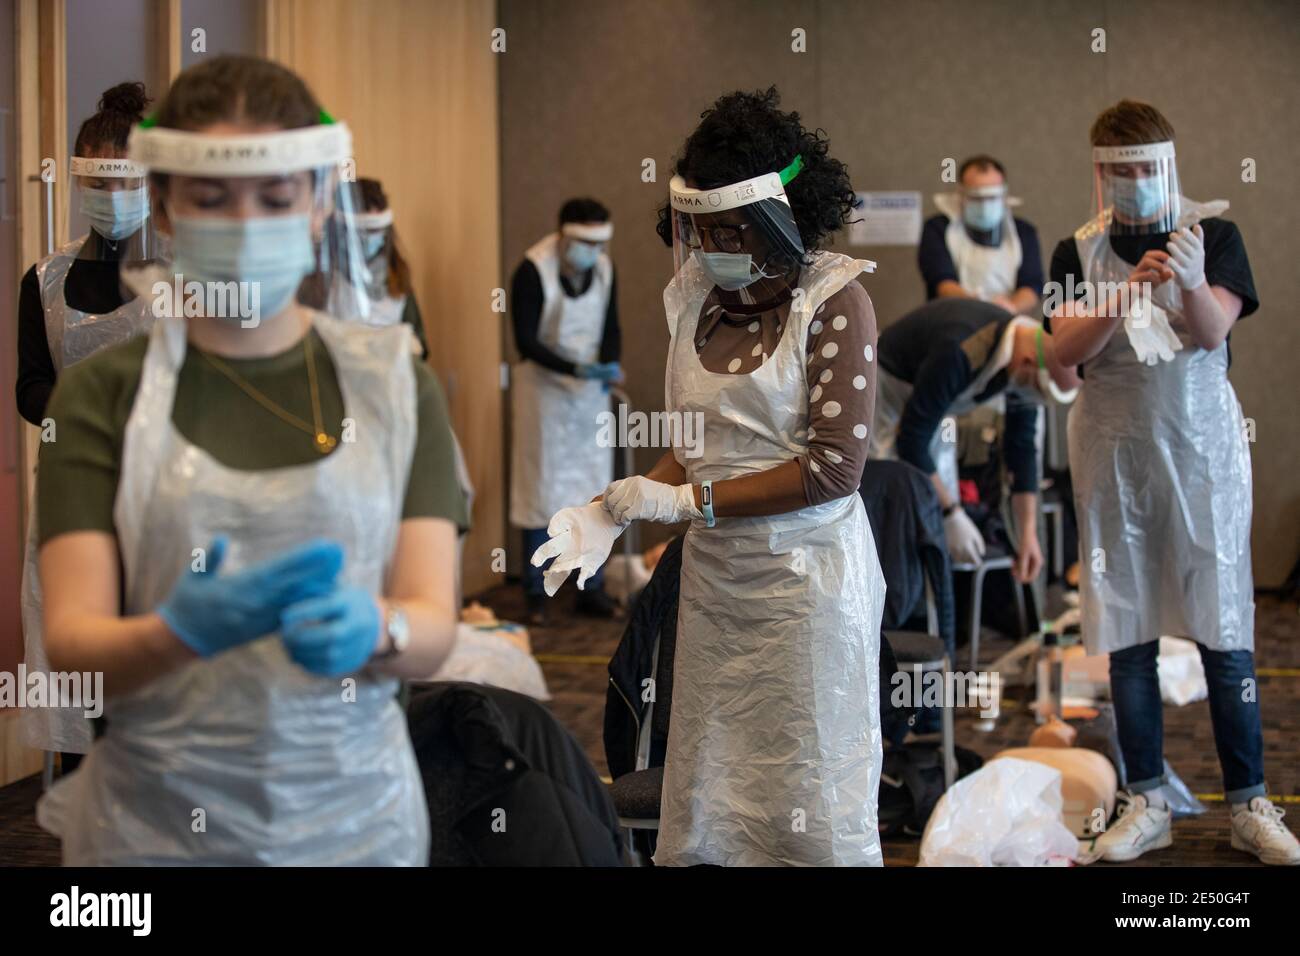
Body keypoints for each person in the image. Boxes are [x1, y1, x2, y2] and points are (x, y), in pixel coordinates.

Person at [33, 54, 466, 865]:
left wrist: (380, 626)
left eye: (274, 198)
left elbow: (432, 624)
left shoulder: (393, 387)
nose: (246, 225)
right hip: (155, 830)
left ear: (313, 207)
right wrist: (174, 634)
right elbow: (73, 640)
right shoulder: (100, 400)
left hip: (356, 823)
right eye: (211, 198)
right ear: (162, 206)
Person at [536, 87, 887, 866]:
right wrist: (613, 508)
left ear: (782, 216)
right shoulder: (697, 300)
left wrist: (687, 500)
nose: (713, 246)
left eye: (731, 229)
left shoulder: (834, 304)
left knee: (807, 792)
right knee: (718, 798)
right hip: (718, 589)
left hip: (809, 590)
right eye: (700, 229)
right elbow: (697, 445)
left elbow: (833, 471)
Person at [1047, 99, 1298, 865]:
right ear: (1099, 173)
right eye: (1117, 171)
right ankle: (1147, 795)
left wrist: (1186, 281)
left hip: (1201, 460)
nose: (1132, 182)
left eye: (1144, 169)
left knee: (1225, 629)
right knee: (1127, 632)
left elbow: (1214, 330)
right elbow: (1062, 354)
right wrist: (1122, 296)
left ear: (1169, 166)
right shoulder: (1076, 251)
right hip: (1114, 460)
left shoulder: (1213, 236)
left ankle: (1250, 803)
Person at [15, 82, 157, 772]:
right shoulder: (44, 279)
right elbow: (28, 385)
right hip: (72, 489)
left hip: (158, 496)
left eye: (121, 178)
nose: (109, 192)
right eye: (95, 179)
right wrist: (73, 409)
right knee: (77, 664)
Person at [870, 297, 1078, 575]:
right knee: (886, 510)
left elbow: (1022, 450)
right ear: (1028, 363)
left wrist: (1028, 535)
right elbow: (911, 439)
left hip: (932, 414)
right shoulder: (963, 349)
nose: (1030, 399)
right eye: (1035, 391)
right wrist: (951, 513)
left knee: (932, 517)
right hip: (881, 399)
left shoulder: (1020, 368)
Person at [509, 198, 622, 624]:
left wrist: (608, 364)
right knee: (541, 489)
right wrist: (574, 366)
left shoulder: (606, 270)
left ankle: (589, 587)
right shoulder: (531, 271)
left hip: (590, 395)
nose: (591, 251)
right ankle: (535, 591)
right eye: (583, 241)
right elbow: (525, 340)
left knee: (594, 490)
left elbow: (611, 327)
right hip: (544, 395)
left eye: (599, 242)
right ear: (562, 234)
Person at [314, 176, 430, 358]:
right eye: (362, 233)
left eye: (375, 231)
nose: (369, 239)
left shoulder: (397, 277)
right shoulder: (321, 278)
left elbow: (420, 344)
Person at [919, 155, 1044, 314]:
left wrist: (1009, 307)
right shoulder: (938, 228)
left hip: (1007, 320)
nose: (985, 205)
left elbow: (1032, 285)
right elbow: (941, 280)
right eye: (977, 197)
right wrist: (974, 307)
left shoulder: (1024, 232)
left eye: (992, 197)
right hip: (951, 319)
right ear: (961, 194)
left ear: (1004, 195)